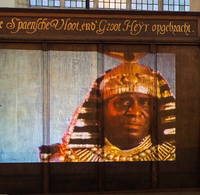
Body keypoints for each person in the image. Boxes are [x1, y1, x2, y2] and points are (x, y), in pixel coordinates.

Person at [39, 54, 176, 162]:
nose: (134, 112)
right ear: (101, 110)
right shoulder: (66, 159)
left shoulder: (172, 155)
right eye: (124, 103)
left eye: (144, 103)